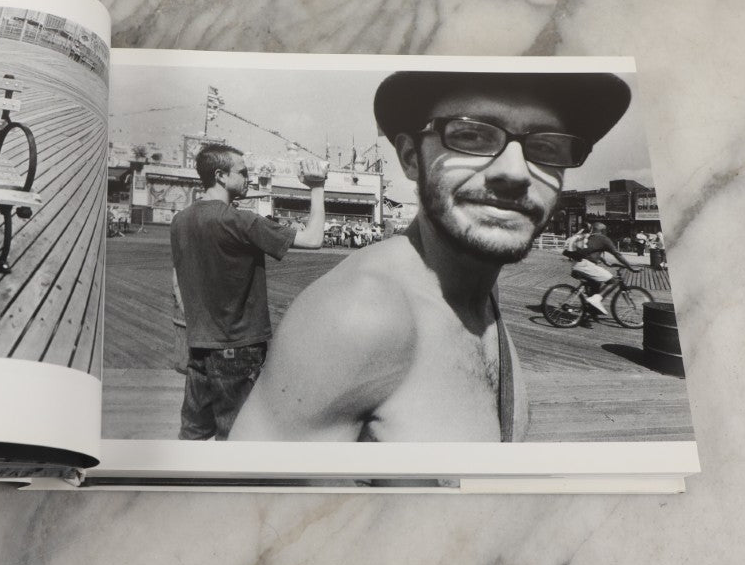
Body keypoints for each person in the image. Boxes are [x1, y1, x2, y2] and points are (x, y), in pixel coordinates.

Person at [233, 68, 631, 443]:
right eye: (471, 135)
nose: (514, 172)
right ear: (411, 158)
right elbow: (244, 492)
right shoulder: (356, 315)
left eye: (545, 146)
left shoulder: (480, 291)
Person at [171, 145, 328, 440]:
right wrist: (317, 187)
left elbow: (176, 279)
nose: (249, 178)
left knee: (192, 435)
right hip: (238, 348)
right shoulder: (240, 221)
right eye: (242, 172)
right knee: (240, 440)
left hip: (199, 345)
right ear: (220, 175)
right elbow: (314, 239)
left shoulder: (180, 220)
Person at [563, 221, 638, 316]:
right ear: (603, 231)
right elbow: (617, 254)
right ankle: (595, 300)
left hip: (576, 265)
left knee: (596, 284)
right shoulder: (603, 239)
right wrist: (630, 267)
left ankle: (590, 311)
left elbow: (590, 251)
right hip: (585, 266)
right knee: (613, 281)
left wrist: (604, 261)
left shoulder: (588, 237)